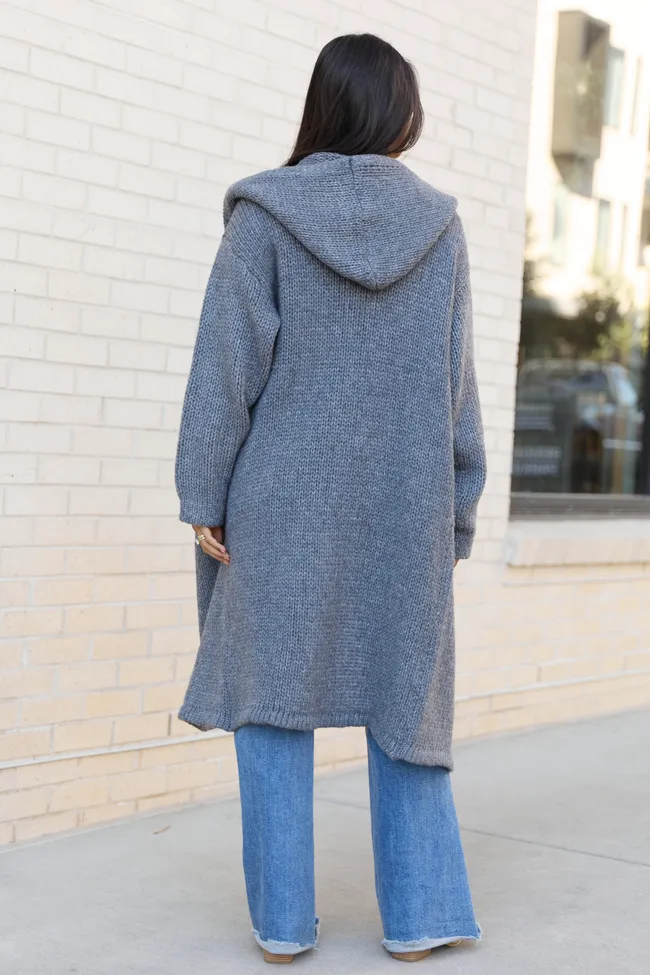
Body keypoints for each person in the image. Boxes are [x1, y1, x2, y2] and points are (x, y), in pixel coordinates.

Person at [175, 32, 486, 965]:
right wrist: (457, 506)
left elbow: (223, 373)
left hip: (280, 507)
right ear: (400, 114)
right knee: (408, 699)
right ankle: (421, 914)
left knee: (271, 699)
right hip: (404, 507)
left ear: (323, 105)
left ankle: (282, 922)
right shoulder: (441, 229)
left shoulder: (265, 218)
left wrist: (203, 489)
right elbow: (457, 388)